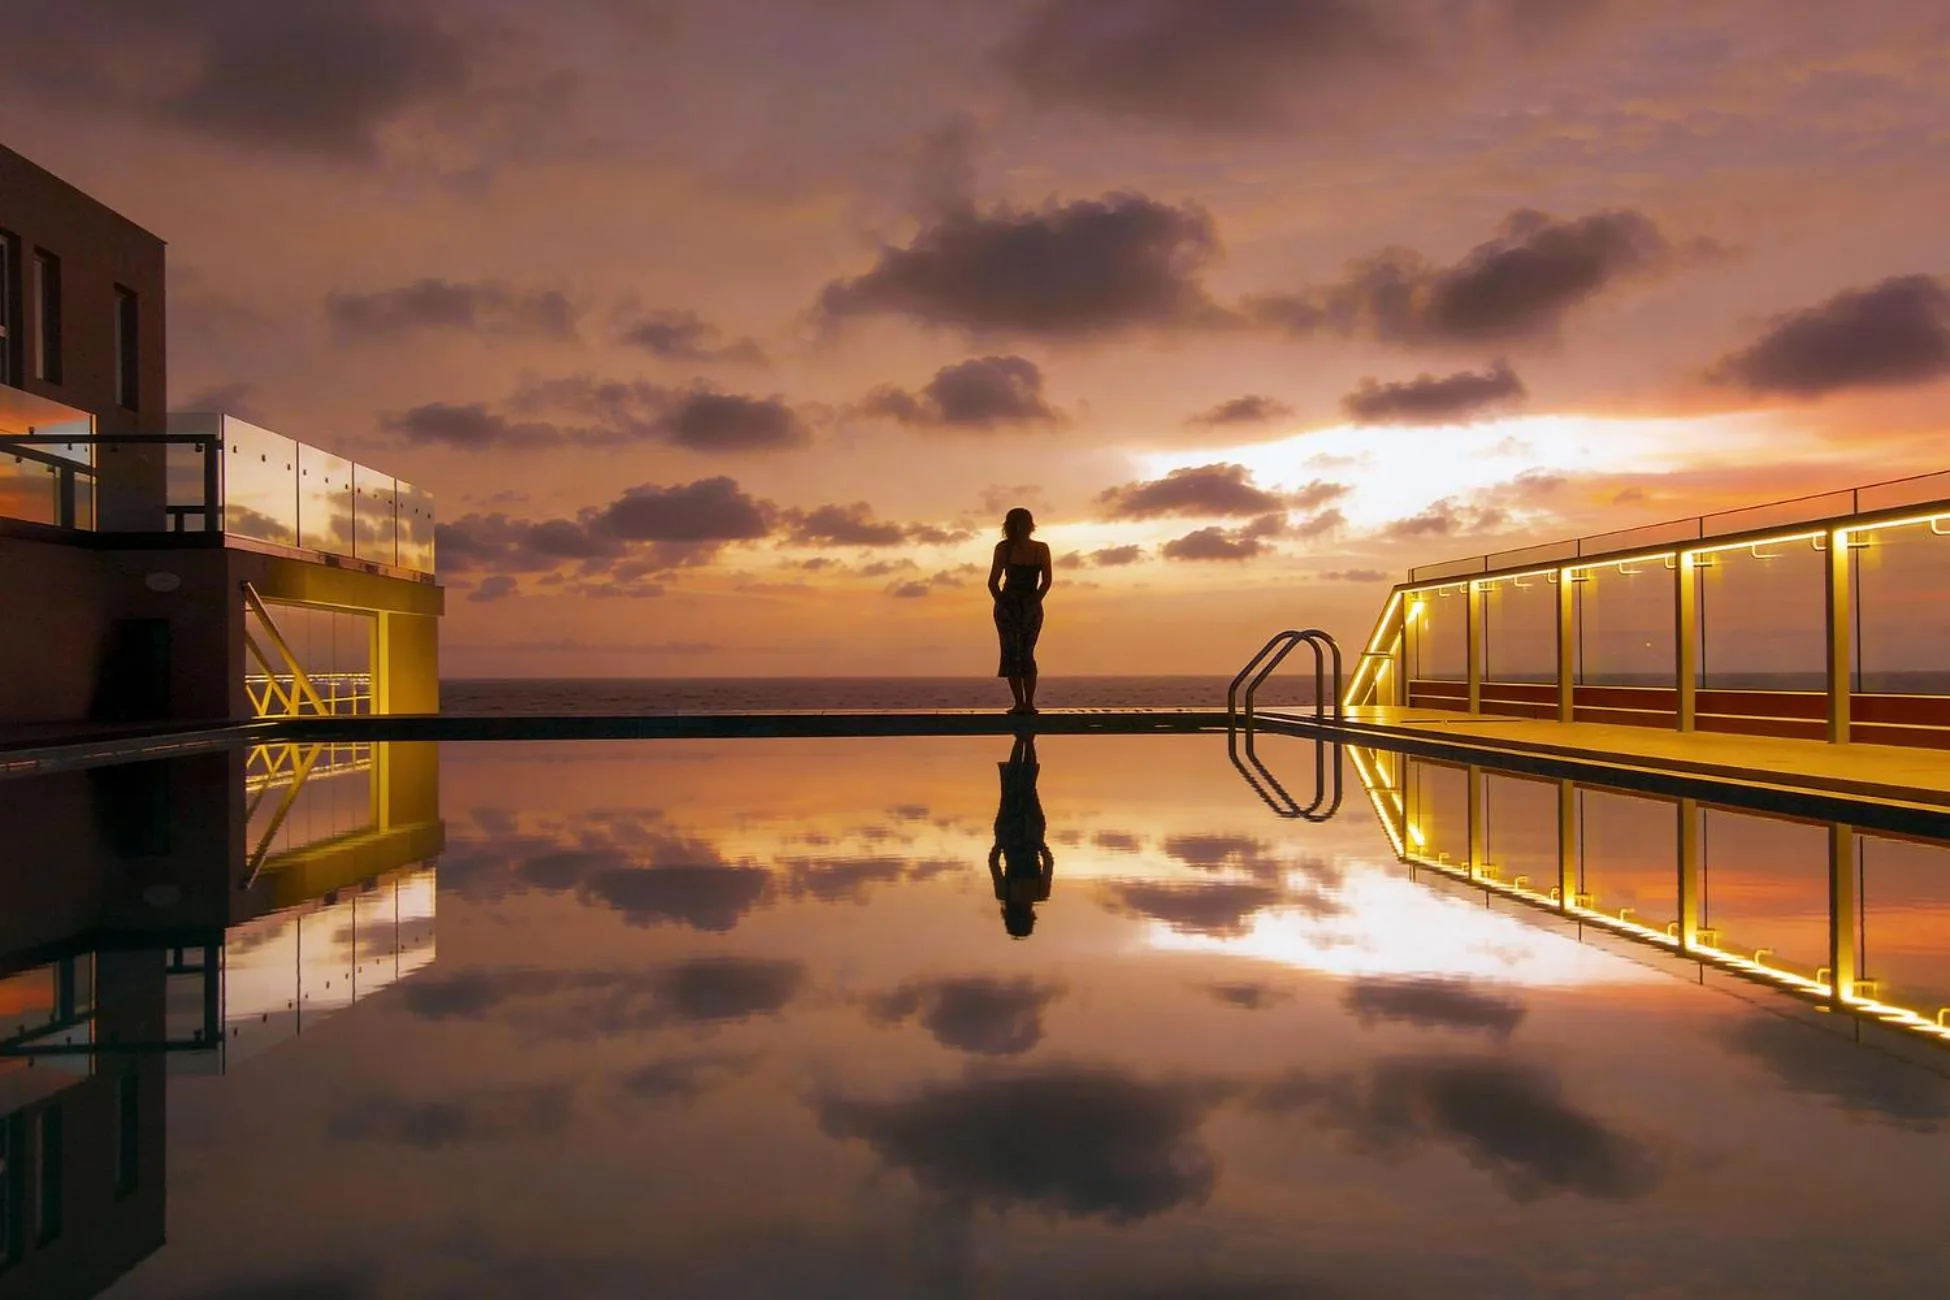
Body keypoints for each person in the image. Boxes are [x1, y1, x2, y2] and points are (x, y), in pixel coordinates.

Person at [987, 507, 1053, 715]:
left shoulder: (1034, 548)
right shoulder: (1009, 549)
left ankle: (1025, 704)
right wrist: (1023, 603)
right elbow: (993, 583)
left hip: (1022, 605)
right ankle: (1022, 704)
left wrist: (1022, 603)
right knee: (1017, 654)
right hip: (1018, 606)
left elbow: (993, 584)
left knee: (1020, 654)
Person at [988, 732, 1053, 939]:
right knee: (1025, 788)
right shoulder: (1038, 894)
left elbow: (994, 864)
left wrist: (1001, 842)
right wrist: (1039, 844)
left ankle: (1022, 741)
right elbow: (1048, 865)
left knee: (1013, 788)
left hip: (1015, 836)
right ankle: (1026, 741)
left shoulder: (1008, 894)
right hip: (1025, 836)